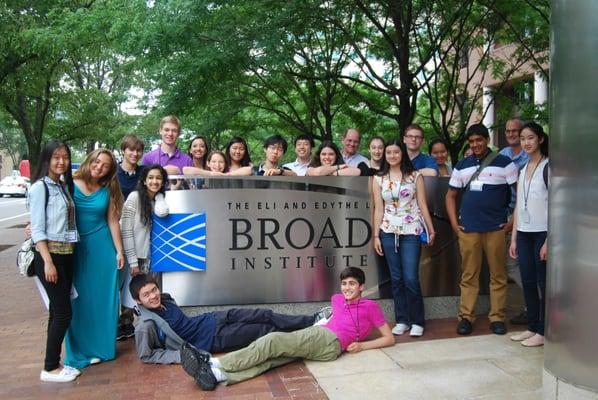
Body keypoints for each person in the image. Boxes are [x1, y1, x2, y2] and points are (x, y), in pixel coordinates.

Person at [180, 267, 395, 390]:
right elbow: (334, 318)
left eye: (351, 284)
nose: (347, 288)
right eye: (344, 284)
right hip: (321, 336)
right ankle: (218, 375)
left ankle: (212, 361)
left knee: (272, 340)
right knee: (274, 358)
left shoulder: (370, 306)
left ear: (361, 287)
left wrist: (362, 345)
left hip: (330, 341)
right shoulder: (337, 299)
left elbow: (389, 338)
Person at [129, 274, 325, 364]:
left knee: (264, 314)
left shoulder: (165, 299)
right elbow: (147, 355)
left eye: (154, 289)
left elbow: (184, 324)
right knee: (262, 330)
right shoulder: (146, 326)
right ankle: (309, 335)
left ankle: (312, 319)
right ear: (138, 300)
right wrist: (183, 356)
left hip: (212, 319)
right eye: (146, 295)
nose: (153, 296)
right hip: (212, 340)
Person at [445, 123, 518, 336]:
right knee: (469, 276)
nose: (476, 144)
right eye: (472, 141)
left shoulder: (505, 163)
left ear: (487, 140)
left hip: (496, 228)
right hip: (468, 229)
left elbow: (520, 193)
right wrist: (453, 223)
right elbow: (450, 196)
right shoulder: (461, 165)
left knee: (498, 275)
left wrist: (512, 222)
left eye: (479, 140)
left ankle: (497, 318)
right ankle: (466, 317)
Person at [65, 148, 125, 369]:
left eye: (106, 165)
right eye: (97, 162)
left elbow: (112, 221)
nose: (99, 167)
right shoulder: (69, 182)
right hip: (75, 249)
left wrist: (119, 251)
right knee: (77, 300)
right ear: (90, 160)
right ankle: (79, 352)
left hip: (102, 249)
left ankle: (102, 348)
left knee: (103, 300)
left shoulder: (107, 190)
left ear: (110, 170)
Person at [29, 140, 80, 382]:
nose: (61, 162)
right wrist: (47, 261)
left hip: (67, 255)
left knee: (56, 312)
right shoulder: (40, 188)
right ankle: (50, 368)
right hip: (51, 257)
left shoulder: (62, 186)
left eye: (65, 157)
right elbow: (38, 229)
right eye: (56, 157)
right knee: (63, 313)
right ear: (47, 159)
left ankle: (53, 364)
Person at [372, 139, 435, 337]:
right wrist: (376, 236)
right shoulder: (378, 179)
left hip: (411, 232)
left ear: (402, 154)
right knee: (396, 279)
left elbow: (423, 205)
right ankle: (402, 320)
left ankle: (417, 321)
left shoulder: (415, 176)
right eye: (388, 152)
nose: (392, 155)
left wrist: (431, 230)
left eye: (396, 152)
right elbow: (378, 209)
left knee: (410, 278)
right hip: (388, 232)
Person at [508, 122, 549, 347]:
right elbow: (518, 206)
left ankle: (543, 331)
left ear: (540, 139)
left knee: (543, 283)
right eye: (523, 138)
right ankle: (532, 327)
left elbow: (555, 204)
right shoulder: (522, 169)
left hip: (542, 233)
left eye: (530, 138)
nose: (526, 142)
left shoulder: (548, 166)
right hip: (523, 233)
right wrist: (514, 238)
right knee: (528, 281)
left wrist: (549, 240)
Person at [120, 165, 169, 309]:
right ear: (144, 181)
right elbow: (126, 229)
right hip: (131, 256)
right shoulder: (134, 197)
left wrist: (160, 198)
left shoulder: (158, 200)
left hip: (148, 258)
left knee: (143, 297)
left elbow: (162, 212)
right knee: (128, 297)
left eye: (159, 178)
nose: (155, 181)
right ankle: (124, 326)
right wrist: (133, 261)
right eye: (151, 178)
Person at [499, 118, 529, 326]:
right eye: (508, 131)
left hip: (529, 215)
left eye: (515, 131)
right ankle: (532, 306)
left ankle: (534, 307)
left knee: (523, 263)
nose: (511, 134)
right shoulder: (502, 155)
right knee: (512, 264)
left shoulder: (531, 156)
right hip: (507, 213)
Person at [117, 134, 145, 199]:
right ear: (123, 151)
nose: (135, 154)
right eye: (131, 150)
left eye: (138, 150)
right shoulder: (112, 173)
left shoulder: (145, 172)